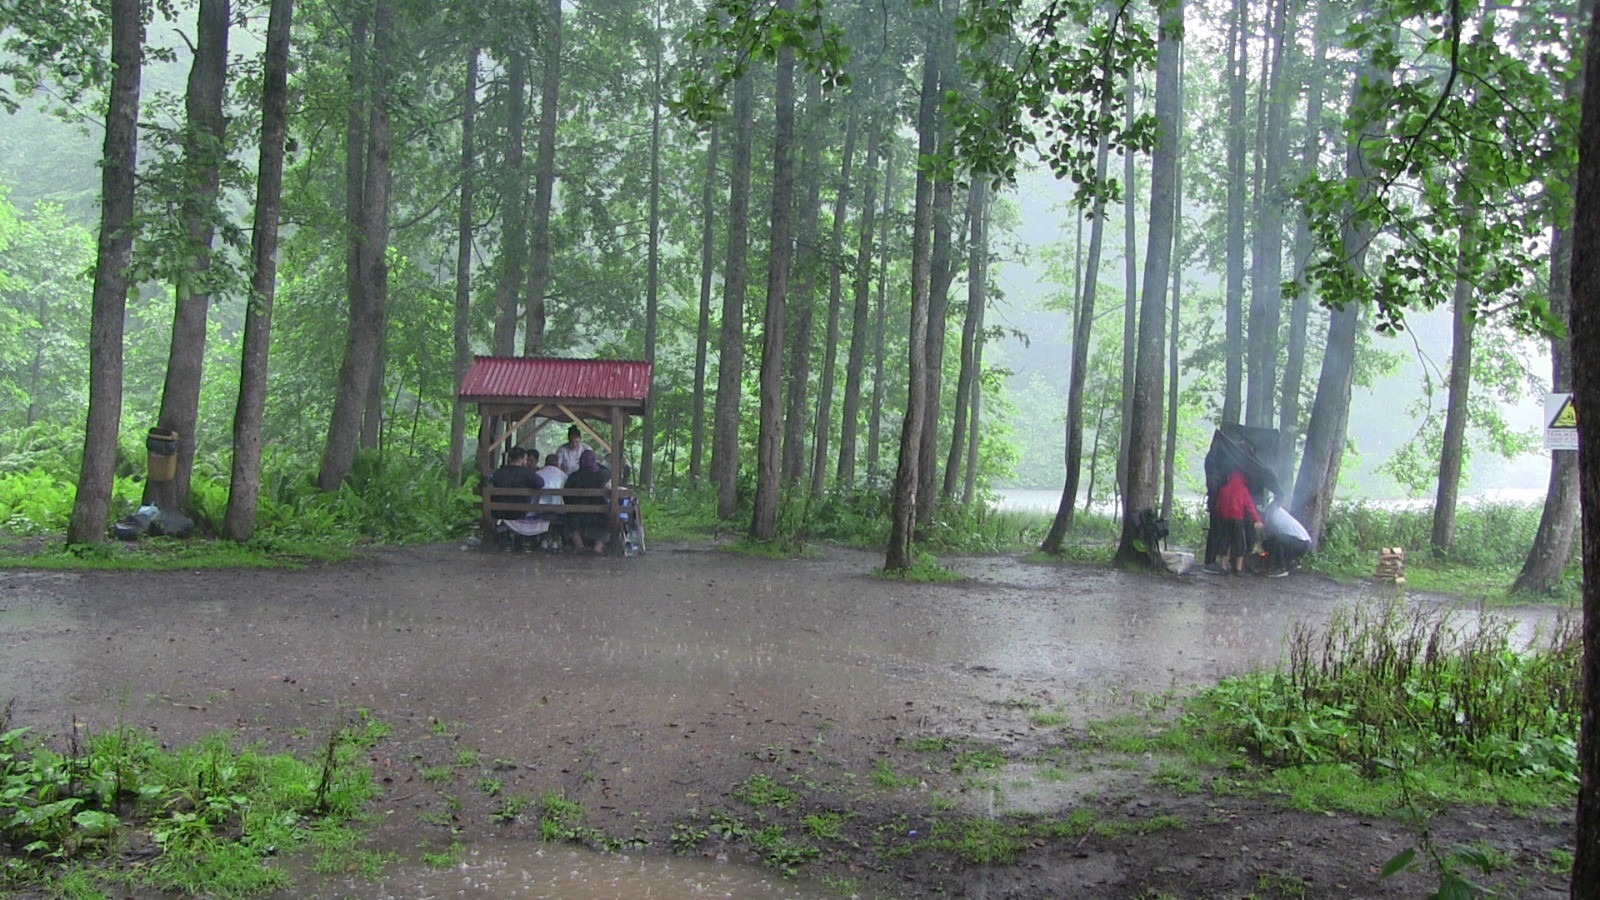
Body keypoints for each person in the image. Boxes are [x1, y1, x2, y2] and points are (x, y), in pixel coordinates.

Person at [488, 447, 543, 549]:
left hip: (498, 511)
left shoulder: (499, 472)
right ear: (521, 459)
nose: (526, 462)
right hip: (520, 512)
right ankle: (523, 538)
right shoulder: (526, 473)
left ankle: (505, 537)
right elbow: (540, 483)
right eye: (526, 459)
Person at [1215, 469, 1263, 575]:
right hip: (1237, 519)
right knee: (1239, 543)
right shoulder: (1243, 489)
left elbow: (1218, 506)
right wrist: (1257, 520)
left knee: (1225, 542)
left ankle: (1223, 567)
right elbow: (1250, 507)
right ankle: (1238, 569)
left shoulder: (1224, 489)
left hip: (1225, 519)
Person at [564, 448, 611, 553]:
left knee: (569, 517)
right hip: (599, 513)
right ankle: (597, 547)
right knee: (608, 517)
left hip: (578, 514)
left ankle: (579, 545)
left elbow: (566, 496)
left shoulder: (574, 476)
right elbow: (609, 473)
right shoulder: (602, 475)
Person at [1262, 503, 1311, 577]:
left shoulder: (1276, 518)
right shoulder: (1280, 513)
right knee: (1271, 542)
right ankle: (1290, 562)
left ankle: (1279, 568)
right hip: (1302, 542)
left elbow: (1272, 534)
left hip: (1301, 543)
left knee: (1277, 540)